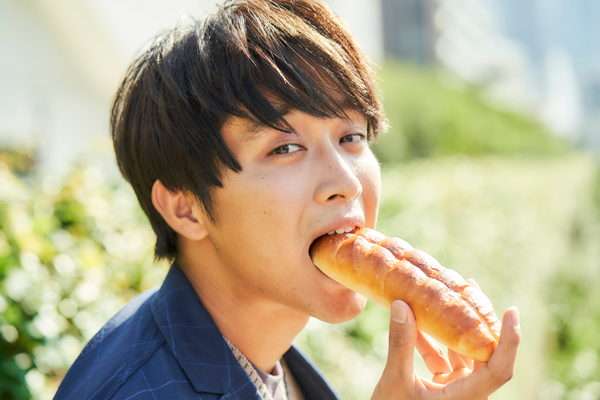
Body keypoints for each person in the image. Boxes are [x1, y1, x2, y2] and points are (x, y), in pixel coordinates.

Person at [54, 0, 521, 399]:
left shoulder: (266, 356)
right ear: (185, 207)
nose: (347, 182)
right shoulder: (141, 389)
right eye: (285, 148)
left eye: (352, 137)